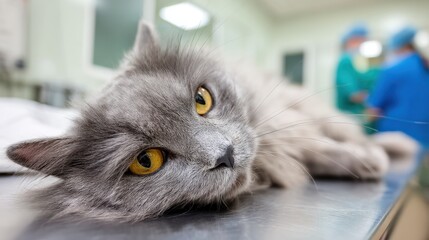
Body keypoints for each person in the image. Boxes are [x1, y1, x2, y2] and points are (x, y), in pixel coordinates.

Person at [367, 26, 429, 147]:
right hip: (424, 136)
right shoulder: (424, 66)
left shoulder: (392, 69)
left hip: (396, 138)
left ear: (397, 45)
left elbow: (374, 110)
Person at [336, 24, 379, 121]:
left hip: (363, 117)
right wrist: (373, 103)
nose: (362, 44)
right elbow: (353, 94)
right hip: (351, 118)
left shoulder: (360, 62)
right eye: (359, 40)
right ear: (350, 41)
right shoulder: (345, 61)